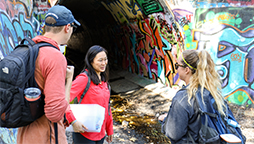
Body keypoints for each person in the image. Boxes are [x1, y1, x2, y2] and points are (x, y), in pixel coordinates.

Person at [17, 5, 80, 144]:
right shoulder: (55, 57)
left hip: (25, 133)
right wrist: (69, 80)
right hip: (47, 136)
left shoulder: (28, 48)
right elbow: (55, 113)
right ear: (67, 27)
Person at [158, 49, 226, 143]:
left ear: (187, 70)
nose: (176, 69)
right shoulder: (212, 92)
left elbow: (172, 134)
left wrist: (166, 120)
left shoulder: (183, 98)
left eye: (177, 66)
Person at [65, 45, 114, 144]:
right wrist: (73, 121)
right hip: (84, 132)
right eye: (100, 60)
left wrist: (109, 129)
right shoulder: (84, 79)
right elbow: (63, 99)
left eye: (105, 59)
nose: (104, 63)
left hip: (100, 133)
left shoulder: (104, 81)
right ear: (91, 61)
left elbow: (107, 107)